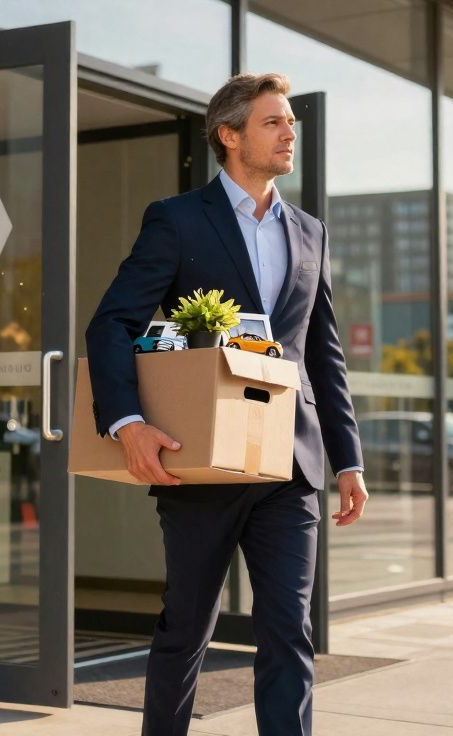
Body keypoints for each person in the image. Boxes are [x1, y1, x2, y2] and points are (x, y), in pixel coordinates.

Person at [85, 73, 367, 736]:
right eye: (274, 122)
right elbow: (113, 323)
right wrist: (127, 422)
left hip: (290, 466)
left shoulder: (310, 232)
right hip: (202, 458)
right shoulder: (179, 220)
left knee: (288, 634)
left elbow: (320, 353)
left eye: (291, 122)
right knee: (186, 630)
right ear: (230, 135)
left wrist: (347, 459)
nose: (289, 132)